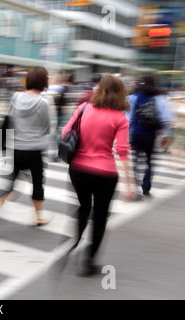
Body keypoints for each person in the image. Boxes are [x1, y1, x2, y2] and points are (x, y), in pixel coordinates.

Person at [63, 75, 136, 276]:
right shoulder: (120, 118)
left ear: (99, 89)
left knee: (83, 207)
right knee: (101, 216)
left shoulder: (83, 108)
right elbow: (122, 151)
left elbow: (65, 134)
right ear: (121, 93)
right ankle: (88, 262)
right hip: (105, 174)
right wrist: (129, 184)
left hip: (78, 169)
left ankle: (76, 240)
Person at [0, 67, 52, 238]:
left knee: (8, 184)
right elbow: (46, 128)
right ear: (44, 82)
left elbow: (10, 120)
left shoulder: (15, 97)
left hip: (14, 149)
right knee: (37, 184)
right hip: (35, 150)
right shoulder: (43, 103)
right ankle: (38, 217)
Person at [128, 74, 175, 198]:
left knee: (135, 160)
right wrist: (166, 135)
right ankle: (146, 186)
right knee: (149, 162)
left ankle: (135, 186)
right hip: (151, 135)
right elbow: (167, 119)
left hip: (136, 134)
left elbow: (130, 118)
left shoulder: (133, 97)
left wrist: (128, 132)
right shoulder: (160, 98)